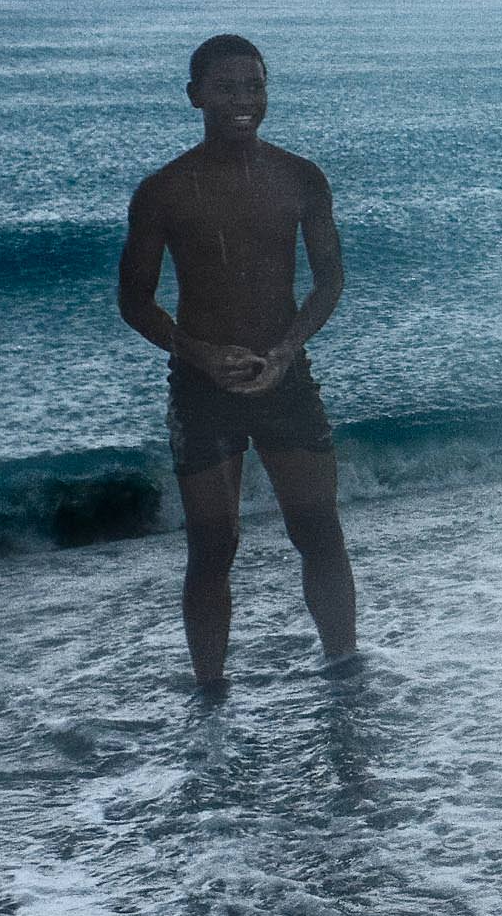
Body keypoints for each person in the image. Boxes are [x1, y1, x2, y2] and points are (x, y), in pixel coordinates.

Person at [118, 34, 356, 696]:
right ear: (195, 95)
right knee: (212, 546)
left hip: (286, 379)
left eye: (254, 86)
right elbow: (133, 300)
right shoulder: (164, 191)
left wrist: (284, 351)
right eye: (225, 88)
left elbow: (329, 280)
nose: (242, 100)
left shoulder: (301, 178)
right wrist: (201, 354)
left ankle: (345, 670)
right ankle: (211, 693)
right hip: (203, 387)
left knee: (319, 531)